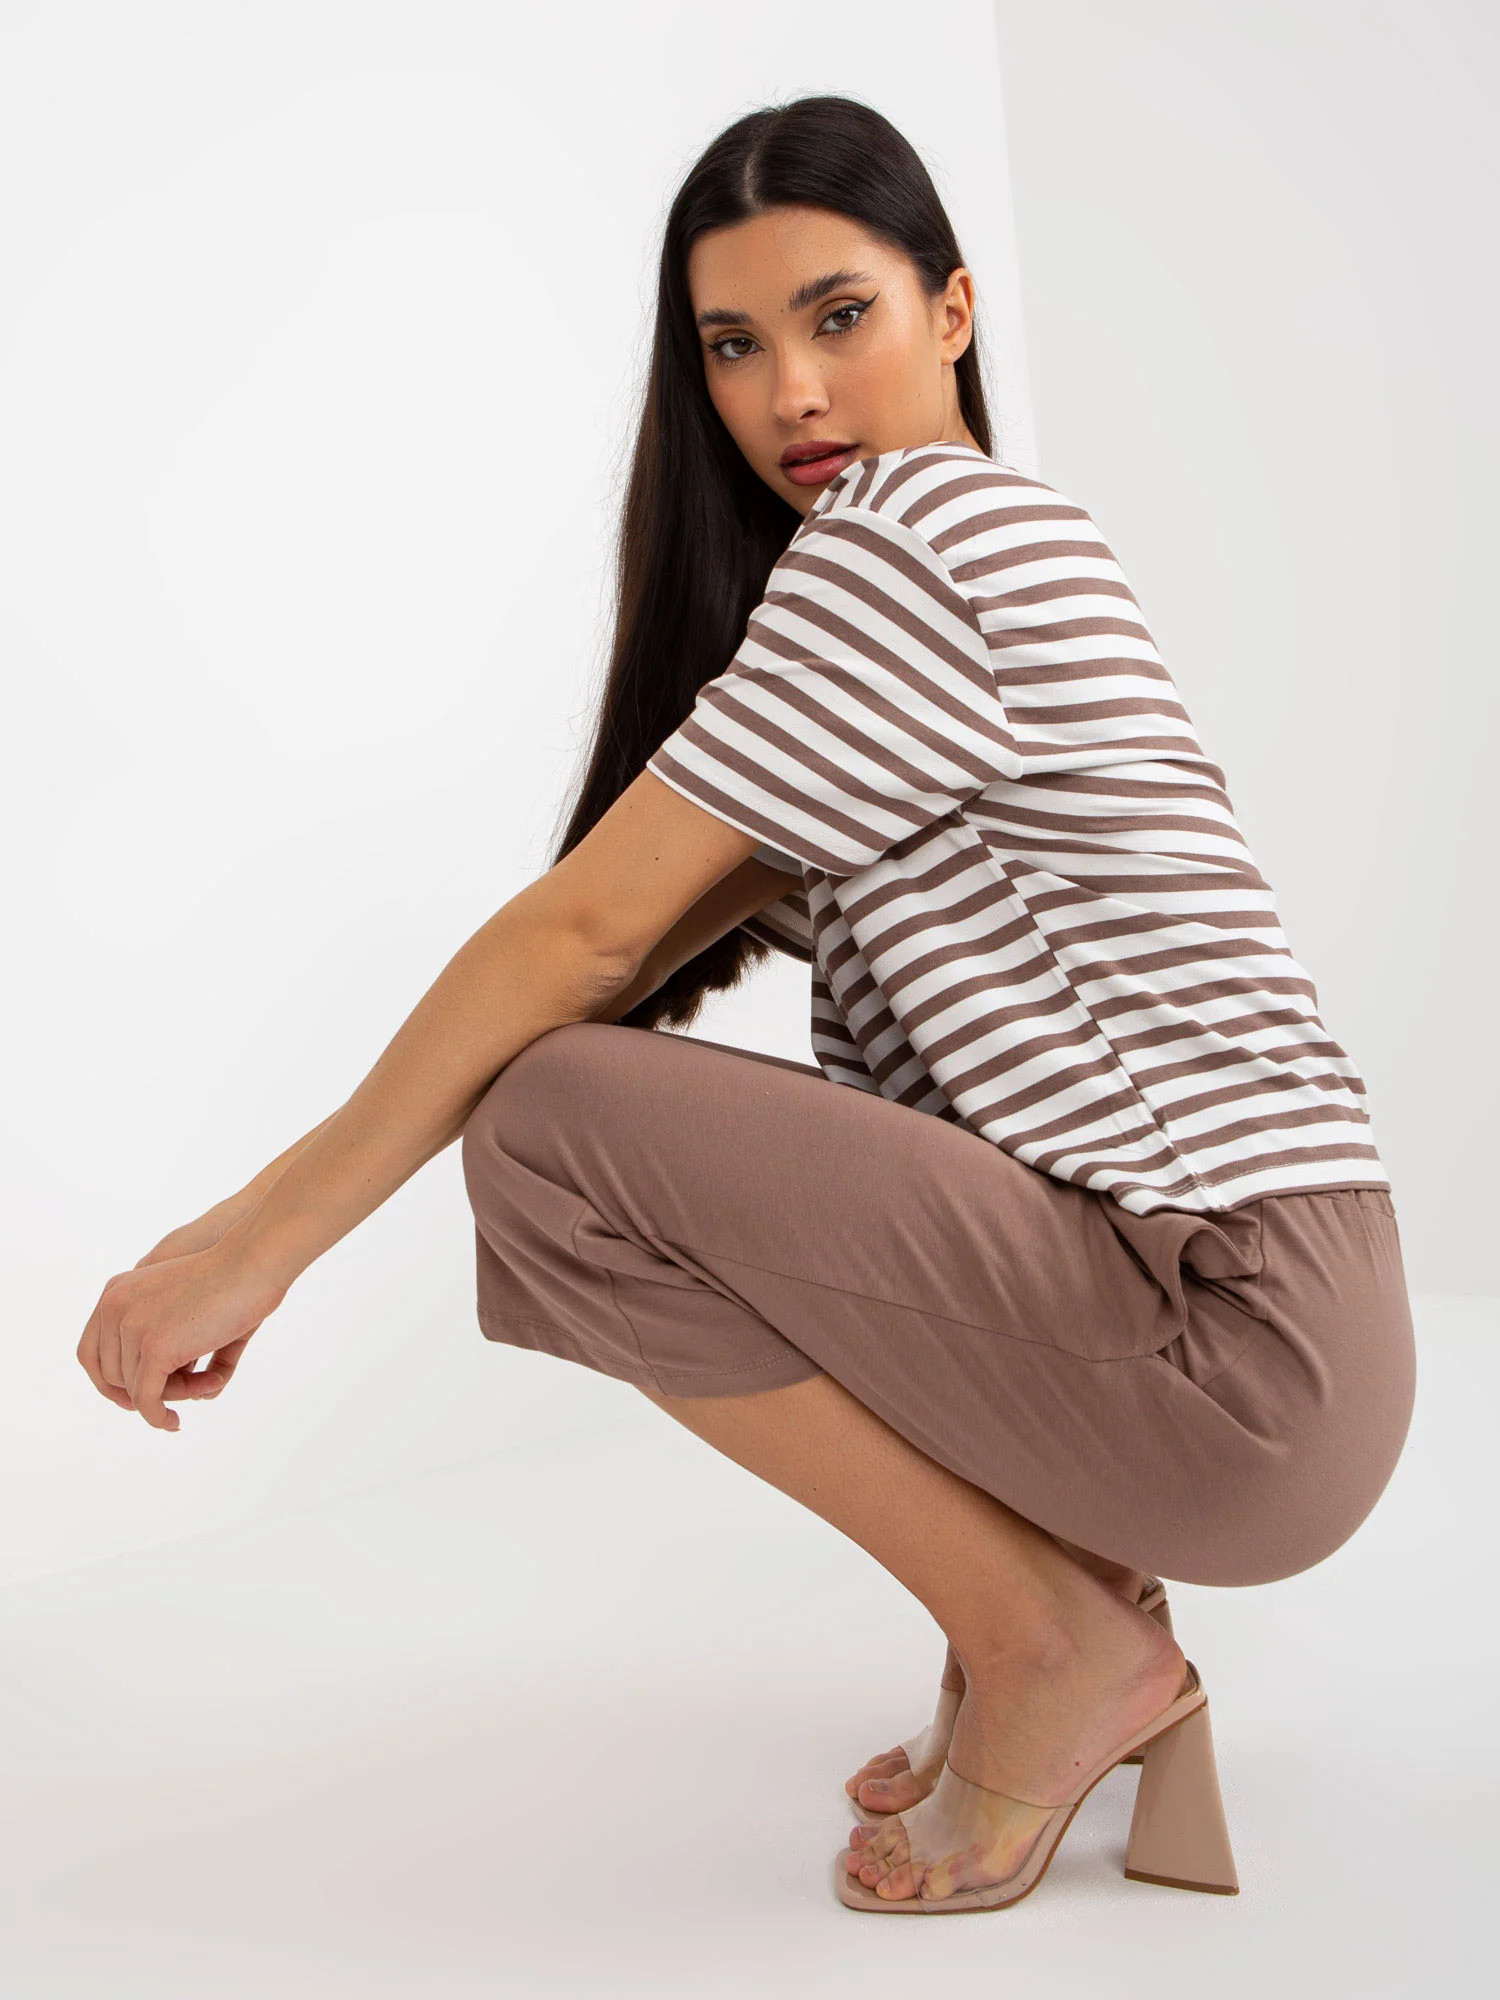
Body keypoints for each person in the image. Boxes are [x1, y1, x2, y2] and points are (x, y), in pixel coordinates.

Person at [77, 95, 1416, 1916]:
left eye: (839, 316)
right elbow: (634, 947)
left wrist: (249, 1245)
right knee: (615, 1109)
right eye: (733, 345)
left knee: (554, 1129)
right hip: (1273, 1332)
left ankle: (1052, 1648)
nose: (792, 390)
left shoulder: (918, 536)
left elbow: (578, 941)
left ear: (953, 311)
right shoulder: (950, 558)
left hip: (1235, 1332)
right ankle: (1056, 1617)